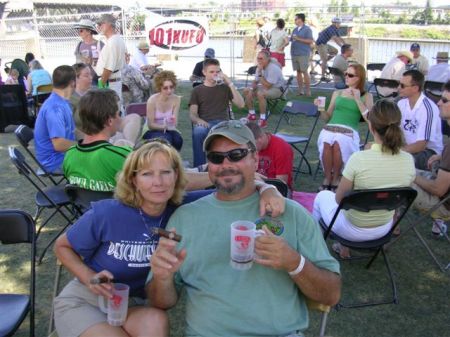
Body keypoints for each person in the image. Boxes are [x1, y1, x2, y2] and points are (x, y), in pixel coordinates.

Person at [147, 119, 341, 336]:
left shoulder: (292, 214)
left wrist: (294, 262)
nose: (226, 164)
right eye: (216, 158)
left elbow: (331, 295)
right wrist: (162, 279)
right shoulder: (185, 218)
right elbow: (161, 301)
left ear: (255, 157)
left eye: (236, 154)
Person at [54, 141, 186, 337]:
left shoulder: (183, 211)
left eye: (165, 172)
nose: (158, 182)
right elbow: (61, 246)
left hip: (132, 304)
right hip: (87, 299)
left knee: (156, 322)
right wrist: (90, 278)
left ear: (176, 175)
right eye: (147, 174)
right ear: (134, 180)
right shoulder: (107, 213)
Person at [313, 99, 415, 258]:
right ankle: (342, 247)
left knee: (322, 197)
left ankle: (316, 248)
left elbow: (339, 200)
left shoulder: (359, 159)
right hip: (383, 229)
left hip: (352, 229)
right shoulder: (408, 160)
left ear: (371, 126)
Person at [315, 64, 374, 191]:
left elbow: (370, 118)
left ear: (359, 78)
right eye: (346, 74)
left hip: (349, 129)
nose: (346, 77)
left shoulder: (367, 96)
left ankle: (336, 178)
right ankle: (327, 177)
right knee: (326, 141)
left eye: (350, 75)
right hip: (331, 126)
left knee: (338, 143)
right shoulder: (337, 93)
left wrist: (357, 99)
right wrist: (320, 108)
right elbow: (327, 117)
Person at [70, 63, 142, 147]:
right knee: (120, 137)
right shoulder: (71, 100)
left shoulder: (95, 92)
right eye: (86, 75)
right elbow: (74, 129)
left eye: (91, 74)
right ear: (75, 78)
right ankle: (127, 148)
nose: (91, 77)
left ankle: (128, 146)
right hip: (93, 135)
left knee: (134, 117)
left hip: (107, 127)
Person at [189, 58, 244, 167]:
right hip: (206, 123)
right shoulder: (197, 90)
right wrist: (199, 120)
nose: (215, 74)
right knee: (198, 132)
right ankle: (199, 168)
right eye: (211, 72)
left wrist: (230, 83)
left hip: (223, 123)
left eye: (217, 72)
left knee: (241, 130)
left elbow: (241, 104)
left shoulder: (224, 88)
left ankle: (232, 164)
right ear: (204, 73)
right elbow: (192, 114)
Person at [412, 80, 450, 237]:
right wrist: (442, 156)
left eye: (445, 100)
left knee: (394, 178)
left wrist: (410, 173)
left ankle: (380, 234)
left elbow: (438, 189)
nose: (439, 103)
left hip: (443, 205)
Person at [397, 69, 443, 170]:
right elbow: (395, 131)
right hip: (407, 148)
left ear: (415, 88)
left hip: (428, 152)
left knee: (399, 161)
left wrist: (396, 152)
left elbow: (421, 145)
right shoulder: (401, 104)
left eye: (402, 85)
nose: (398, 88)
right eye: (399, 84)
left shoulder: (428, 108)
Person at [34, 65, 76, 173]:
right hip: (54, 162)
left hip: (59, 157)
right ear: (72, 83)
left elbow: (72, 130)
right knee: (100, 162)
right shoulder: (55, 107)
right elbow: (59, 144)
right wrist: (85, 146)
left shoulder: (60, 102)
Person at [244, 50, 285, 128]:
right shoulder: (260, 67)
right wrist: (251, 89)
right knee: (247, 90)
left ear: (267, 59)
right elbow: (255, 81)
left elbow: (268, 86)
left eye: (261, 58)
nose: (259, 60)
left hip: (277, 89)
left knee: (260, 93)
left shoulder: (273, 68)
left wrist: (259, 74)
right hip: (265, 87)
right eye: (258, 58)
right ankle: (252, 114)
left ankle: (263, 120)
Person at [246, 121, 294, 189]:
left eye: (250, 145)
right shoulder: (250, 147)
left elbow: (281, 183)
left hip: (276, 189)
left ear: (260, 139)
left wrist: (260, 179)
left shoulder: (282, 148)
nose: (248, 148)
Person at [143, 71, 182, 151]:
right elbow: (151, 125)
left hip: (169, 129)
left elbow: (175, 123)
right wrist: (165, 127)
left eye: (171, 87)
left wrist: (171, 123)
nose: (169, 91)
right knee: (166, 139)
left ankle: (173, 160)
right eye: (165, 88)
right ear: (159, 88)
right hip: (152, 130)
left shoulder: (176, 99)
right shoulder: (152, 100)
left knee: (178, 140)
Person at [95, 14, 126, 103]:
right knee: (116, 110)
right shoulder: (117, 39)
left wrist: (101, 85)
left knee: (110, 112)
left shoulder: (112, 42)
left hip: (110, 82)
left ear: (108, 24)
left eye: (101, 24)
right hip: (113, 81)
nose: (99, 26)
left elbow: (109, 68)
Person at [73, 19, 104, 85]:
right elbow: (77, 64)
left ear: (89, 31)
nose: (79, 32)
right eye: (79, 30)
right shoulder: (79, 45)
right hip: (83, 81)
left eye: (81, 30)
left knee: (99, 95)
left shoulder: (100, 45)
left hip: (98, 79)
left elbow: (106, 64)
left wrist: (92, 62)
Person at [290, 13, 314, 97]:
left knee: (304, 72)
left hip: (303, 53)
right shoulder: (295, 29)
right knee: (298, 72)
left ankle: (308, 91)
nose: (295, 20)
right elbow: (291, 39)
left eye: (296, 19)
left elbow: (310, 41)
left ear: (300, 19)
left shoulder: (307, 29)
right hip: (294, 53)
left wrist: (298, 39)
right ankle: (300, 90)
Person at [315, 17, 345, 81]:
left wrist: (345, 44)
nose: (340, 24)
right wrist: (342, 47)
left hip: (324, 44)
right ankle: (322, 77)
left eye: (340, 23)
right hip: (320, 44)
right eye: (339, 23)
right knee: (324, 60)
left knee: (335, 51)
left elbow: (340, 38)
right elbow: (335, 39)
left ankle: (324, 63)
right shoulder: (331, 29)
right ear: (334, 23)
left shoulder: (335, 29)